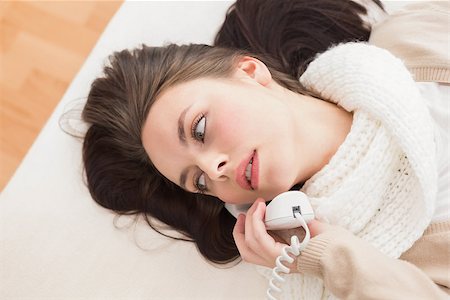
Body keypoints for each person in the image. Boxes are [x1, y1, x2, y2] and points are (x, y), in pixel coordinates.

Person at [80, 0, 449, 298]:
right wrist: (326, 256)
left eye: (200, 128)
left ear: (250, 72)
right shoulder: (373, 262)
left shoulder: (412, 37)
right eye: (200, 182)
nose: (214, 168)